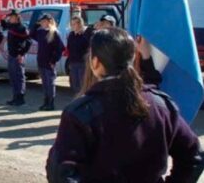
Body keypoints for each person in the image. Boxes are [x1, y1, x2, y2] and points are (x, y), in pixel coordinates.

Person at [46, 27, 204, 183]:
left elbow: (60, 173)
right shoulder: (162, 105)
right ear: (133, 57)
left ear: (94, 62)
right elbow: (194, 156)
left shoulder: (80, 112)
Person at [30, 14, 65, 111]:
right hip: (41, 61)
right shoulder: (40, 32)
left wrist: (53, 60)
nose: (42, 23)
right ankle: (45, 102)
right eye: (41, 21)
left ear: (49, 22)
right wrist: (36, 25)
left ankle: (51, 103)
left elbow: (60, 48)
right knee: (45, 83)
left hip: (49, 62)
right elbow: (31, 34)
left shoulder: (54, 33)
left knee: (50, 83)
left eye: (44, 21)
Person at [1, 9, 32, 106]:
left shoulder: (21, 28)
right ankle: (15, 97)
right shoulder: (11, 26)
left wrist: (22, 53)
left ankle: (20, 98)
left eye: (12, 16)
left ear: (17, 17)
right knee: (13, 77)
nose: (10, 18)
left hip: (18, 56)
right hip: (11, 55)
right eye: (10, 17)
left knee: (19, 77)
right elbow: (3, 24)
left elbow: (28, 41)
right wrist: (5, 17)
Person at [67, 16, 89, 94]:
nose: (72, 26)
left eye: (74, 24)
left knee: (82, 84)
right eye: (71, 24)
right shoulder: (71, 35)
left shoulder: (85, 35)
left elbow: (86, 48)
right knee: (74, 84)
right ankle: (77, 101)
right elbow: (69, 49)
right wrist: (69, 62)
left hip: (82, 63)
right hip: (73, 63)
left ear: (80, 24)